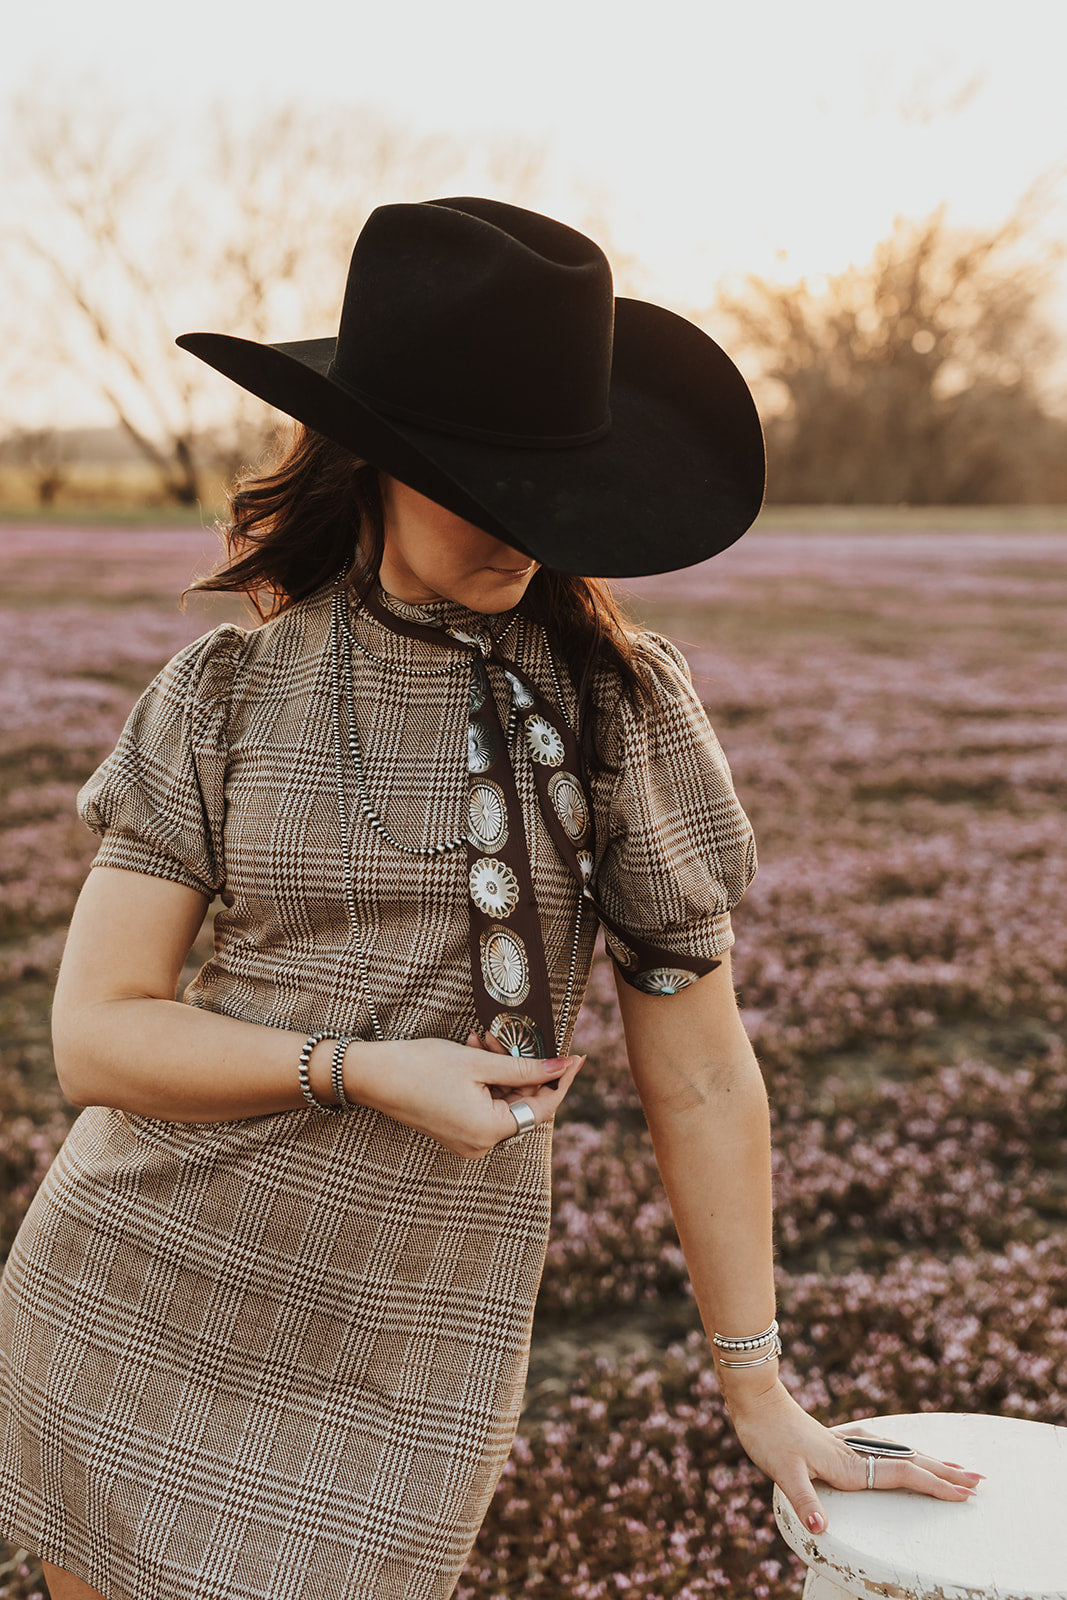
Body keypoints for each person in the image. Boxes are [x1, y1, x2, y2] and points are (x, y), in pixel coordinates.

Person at [0, 198, 981, 1600]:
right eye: (483, 478)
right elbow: (95, 1036)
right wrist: (363, 1071)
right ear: (380, 460)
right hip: (137, 1300)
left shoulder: (620, 710)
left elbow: (702, 1077)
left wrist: (757, 1389)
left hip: (414, 1357)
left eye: (553, 482)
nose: (529, 526)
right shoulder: (225, 695)